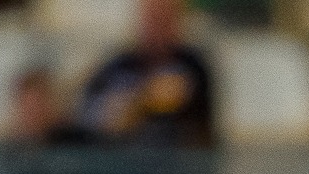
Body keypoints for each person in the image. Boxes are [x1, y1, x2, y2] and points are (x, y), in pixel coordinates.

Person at [73, 0, 216, 149]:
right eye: (152, 19)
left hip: (176, 159)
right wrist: (141, 101)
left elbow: (204, 130)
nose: (157, 29)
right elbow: (89, 119)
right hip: (123, 157)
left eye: (164, 20)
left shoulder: (193, 67)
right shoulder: (117, 67)